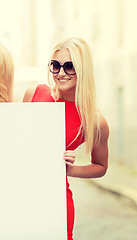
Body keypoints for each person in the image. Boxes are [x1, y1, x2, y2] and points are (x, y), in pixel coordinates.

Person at [23, 37, 109, 240]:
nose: (61, 73)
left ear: (83, 69)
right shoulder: (33, 93)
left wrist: (71, 169)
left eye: (69, 67)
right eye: (56, 65)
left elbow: (101, 166)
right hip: (22, 191)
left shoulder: (94, 119)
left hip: (56, 199)